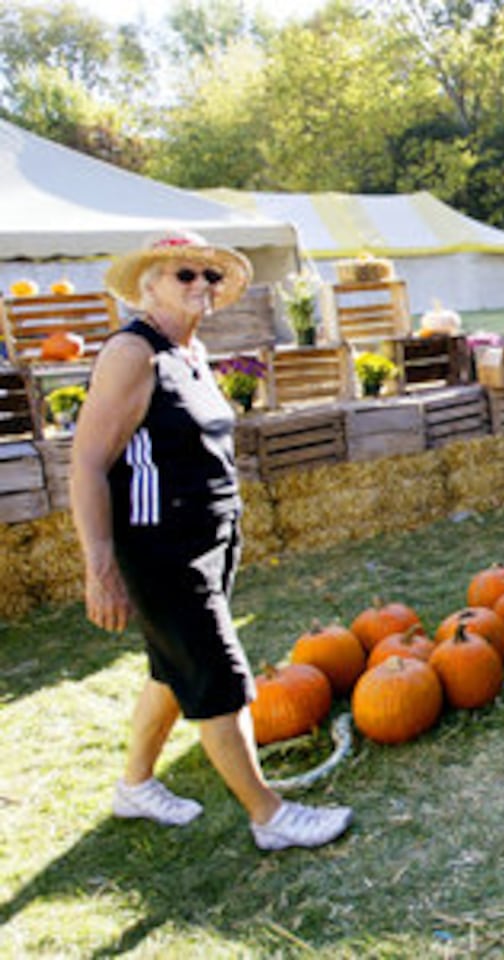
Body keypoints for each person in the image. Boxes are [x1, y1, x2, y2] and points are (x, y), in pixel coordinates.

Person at [72, 230, 352, 851]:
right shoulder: (132, 352)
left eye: (209, 276)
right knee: (219, 675)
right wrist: (99, 567)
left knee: (174, 668)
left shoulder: (190, 350)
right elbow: (87, 462)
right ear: (148, 285)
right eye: (184, 275)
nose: (201, 285)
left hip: (210, 537)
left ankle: (136, 786)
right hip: (161, 547)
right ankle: (269, 815)